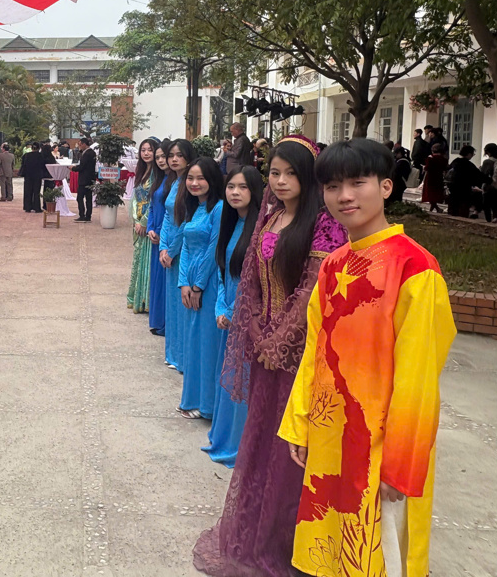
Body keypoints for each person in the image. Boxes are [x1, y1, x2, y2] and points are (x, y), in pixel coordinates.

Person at [280, 139, 455, 577]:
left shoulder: (416, 269)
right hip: (330, 432)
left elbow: (419, 377)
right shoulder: (334, 265)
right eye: (334, 186)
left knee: (379, 554)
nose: (345, 196)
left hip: (381, 446)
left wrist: (402, 463)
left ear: (387, 187)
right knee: (331, 546)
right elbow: (316, 352)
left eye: (359, 183)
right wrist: (301, 420)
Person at [193, 136, 347, 577]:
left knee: (291, 452)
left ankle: (289, 544)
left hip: (301, 356)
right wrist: (258, 331)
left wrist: (280, 339)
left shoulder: (324, 226)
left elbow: (311, 292)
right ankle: (255, 532)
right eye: (275, 173)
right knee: (260, 443)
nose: (280, 182)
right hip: (266, 351)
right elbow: (252, 283)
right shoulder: (273, 216)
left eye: (290, 173)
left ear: (309, 177)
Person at [204, 166, 263, 468]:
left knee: (242, 381)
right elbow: (224, 273)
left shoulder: (259, 230)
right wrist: (220, 308)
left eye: (242, 187)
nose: (235, 192)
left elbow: (254, 284)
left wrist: (233, 310)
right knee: (225, 378)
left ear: (255, 191)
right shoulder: (230, 223)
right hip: (228, 314)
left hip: (248, 319)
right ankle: (223, 437)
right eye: (230, 187)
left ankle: (239, 445)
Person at [176, 157, 225, 420]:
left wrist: (198, 286)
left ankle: (206, 405)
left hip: (208, 283)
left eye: (201, 178)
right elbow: (185, 245)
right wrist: (183, 281)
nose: (194, 183)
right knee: (193, 341)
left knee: (207, 344)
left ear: (212, 179)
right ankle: (192, 399)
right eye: (190, 178)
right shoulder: (195, 207)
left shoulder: (218, 208)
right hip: (191, 281)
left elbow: (214, 248)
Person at [159, 139, 196, 371]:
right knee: (172, 305)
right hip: (168, 249)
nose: (174, 159)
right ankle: (172, 353)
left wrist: (172, 250)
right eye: (171, 155)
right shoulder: (174, 183)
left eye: (179, 155)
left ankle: (183, 357)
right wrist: (162, 247)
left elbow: (187, 222)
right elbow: (166, 216)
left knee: (182, 307)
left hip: (183, 251)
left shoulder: (191, 185)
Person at [127, 138, 159, 314]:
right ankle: (137, 297)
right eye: (143, 150)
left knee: (147, 260)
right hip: (138, 221)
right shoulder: (142, 171)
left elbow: (153, 201)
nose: (146, 153)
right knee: (139, 260)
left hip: (148, 223)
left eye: (150, 150)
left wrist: (144, 222)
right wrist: (135, 219)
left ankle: (146, 299)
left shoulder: (157, 174)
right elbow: (135, 199)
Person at [146, 142, 170, 336]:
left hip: (167, 238)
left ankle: (165, 323)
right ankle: (157, 320)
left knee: (165, 281)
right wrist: (150, 228)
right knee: (157, 280)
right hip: (156, 236)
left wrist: (162, 233)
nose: (161, 161)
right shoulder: (159, 179)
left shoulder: (177, 181)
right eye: (159, 157)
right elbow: (152, 205)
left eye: (165, 157)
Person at [446, 144, 488, 217]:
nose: (472, 156)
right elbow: (478, 175)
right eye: (472, 154)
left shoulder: (455, 161)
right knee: (463, 206)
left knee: (453, 206)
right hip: (464, 188)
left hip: (452, 187)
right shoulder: (468, 164)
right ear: (469, 154)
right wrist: (489, 181)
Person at [71, 137, 97, 222]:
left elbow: (82, 166)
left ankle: (82, 215)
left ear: (84, 144)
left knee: (80, 197)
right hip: (90, 178)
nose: (79, 146)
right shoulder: (92, 152)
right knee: (88, 198)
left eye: (80, 144)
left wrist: (73, 168)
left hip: (84, 179)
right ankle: (88, 216)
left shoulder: (87, 154)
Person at [421, 142, 448, 213]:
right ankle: (435, 208)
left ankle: (435, 208)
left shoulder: (430, 158)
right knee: (435, 194)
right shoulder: (444, 159)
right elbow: (445, 168)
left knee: (430, 194)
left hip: (430, 177)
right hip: (438, 177)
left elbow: (427, 168)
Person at [20, 141, 45, 213]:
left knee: (28, 191)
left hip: (28, 176)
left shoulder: (26, 155)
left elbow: (23, 165)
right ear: (39, 148)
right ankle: (37, 207)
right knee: (36, 191)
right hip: (37, 176)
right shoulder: (41, 156)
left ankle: (28, 207)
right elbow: (43, 166)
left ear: (32, 148)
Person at [482, 143, 497, 223]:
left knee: (486, 204)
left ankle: (488, 220)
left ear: (487, 152)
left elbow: (483, 174)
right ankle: (495, 217)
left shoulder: (487, 162)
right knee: (496, 202)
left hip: (489, 186)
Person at [40, 142, 57, 210]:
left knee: (45, 190)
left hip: (43, 175)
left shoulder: (41, 157)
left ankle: (45, 204)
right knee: (50, 189)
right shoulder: (51, 158)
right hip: (50, 176)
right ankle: (49, 204)